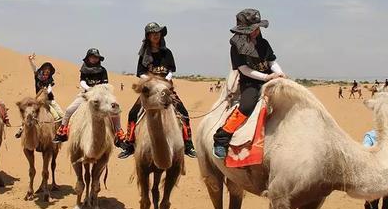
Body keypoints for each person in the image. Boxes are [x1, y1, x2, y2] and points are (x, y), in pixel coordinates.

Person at [212, 9, 285, 159]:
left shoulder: (264, 43)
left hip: (271, 78)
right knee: (247, 106)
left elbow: (271, 61)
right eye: (252, 29)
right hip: (251, 83)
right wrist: (266, 77)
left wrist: (280, 74)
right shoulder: (236, 47)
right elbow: (244, 69)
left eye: (257, 28)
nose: (255, 31)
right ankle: (222, 138)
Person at [117, 22, 196, 159]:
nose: (156, 35)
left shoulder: (167, 53)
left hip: (165, 87)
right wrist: (150, 80)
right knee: (133, 113)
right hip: (150, 89)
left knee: (183, 112)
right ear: (148, 36)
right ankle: (130, 144)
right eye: (153, 33)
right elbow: (140, 72)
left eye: (158, 33)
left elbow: (171, 70)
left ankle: (188, 144)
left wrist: (166, 79)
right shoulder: (143, 55)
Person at [53, 49, 125, 145]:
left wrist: (97, 91)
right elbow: (82, 81)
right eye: (92, 57)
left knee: (115, 110)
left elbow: (105, 84)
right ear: (88, 58)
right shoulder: (84, 69)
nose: (94, 59)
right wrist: (89, 89)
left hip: (101, 95)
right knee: (69, 110)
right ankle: (62, 131)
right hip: (87, 94)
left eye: (96, 57)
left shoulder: (102, 70)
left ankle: (118, 132)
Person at [14, 53, 64, 138]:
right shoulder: (38, 75)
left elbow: (49, 88)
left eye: (49, 69)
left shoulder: (50, 79)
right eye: (46, 68)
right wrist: (30, 60)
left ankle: (59, 132)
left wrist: (47, 91)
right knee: (29, 113)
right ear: (43, 69)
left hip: (49, 100)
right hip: (38, 100)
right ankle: (21, 129)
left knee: (59, 115)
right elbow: (34, 68)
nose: (47, 70)